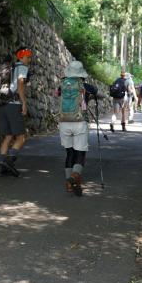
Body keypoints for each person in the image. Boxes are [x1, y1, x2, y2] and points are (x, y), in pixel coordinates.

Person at [57, 59, 103, 196]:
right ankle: (74, 175)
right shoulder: (86, 86)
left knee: (69, 153)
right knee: (80, 153)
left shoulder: (62, 86)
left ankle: (68, 184)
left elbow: (59, 96)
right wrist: (91, 96)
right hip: (79, 123)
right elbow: (101, 95)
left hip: (64, 122)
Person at [0, 47, 32, 176]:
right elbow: (20, 84)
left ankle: (1, 166)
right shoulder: (22, 67)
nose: (29, 59)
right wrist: (24, 103)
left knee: (7, 137)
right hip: (14, 105)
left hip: (3, 105)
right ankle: (9, 162)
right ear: (21, 57)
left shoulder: (9, 68)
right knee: (21, 138)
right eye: (28, 57)